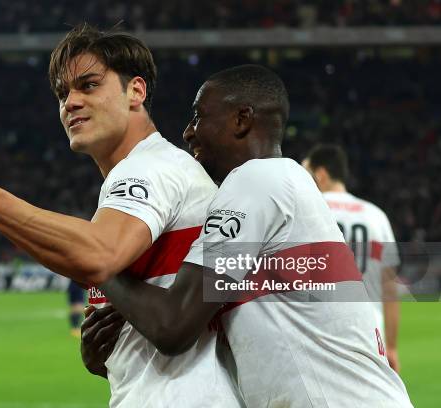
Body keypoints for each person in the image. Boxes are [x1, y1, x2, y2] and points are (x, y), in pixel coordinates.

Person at [0, 24, 241, 408]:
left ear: (135, 92)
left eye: (88, 85)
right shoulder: (157, 172)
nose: (70, 102)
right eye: (62, 93)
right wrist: (106, 356)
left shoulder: (148, 169)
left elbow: (98, 257)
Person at [87, 64, 413, 407]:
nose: (187, 132)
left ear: (242, 120)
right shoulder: (282, 187)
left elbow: (173, 325)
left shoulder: (257, 180)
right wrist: (111, 351)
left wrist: (100, 261)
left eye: (199, 117)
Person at [302, 144, 402, 372]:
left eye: (304, 171)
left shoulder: (304, 210)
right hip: (370, 331)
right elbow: (389, 289)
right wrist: (393, 347)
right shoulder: (376, 216)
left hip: (317, 329)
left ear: (321, 175)